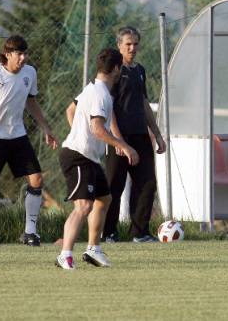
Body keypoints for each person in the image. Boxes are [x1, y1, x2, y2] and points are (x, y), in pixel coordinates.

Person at [0, 35, 57, 248]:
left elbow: (31, 102)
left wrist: (46, 128)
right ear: (7, 54)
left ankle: (30, 232)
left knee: (36, 180)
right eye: (19, 54)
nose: (23, 58)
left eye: (25, 53)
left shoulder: (29, 73)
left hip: (18, 137)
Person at [55, 48, 139, 270]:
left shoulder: (91, 88)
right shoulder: (101, 94)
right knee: (83, 206)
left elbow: (70, 111)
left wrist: (79, 133)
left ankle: (93, 249)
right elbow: (97, 128)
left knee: (104, 198)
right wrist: (123, 146)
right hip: (77, 156)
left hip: (87, 156)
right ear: (116, 69)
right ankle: (65, 254)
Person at [101, 26, 166, 243]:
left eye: (135, 43)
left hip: (140, 136)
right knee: (115, 186)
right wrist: (117, 139)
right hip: (119, 138)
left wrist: (156, 133)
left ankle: (140, 232)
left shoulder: (140, 70)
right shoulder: (114, 72)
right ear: (119, 45)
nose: (132, 48)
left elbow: (144, 103)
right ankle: (108, 232)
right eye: (128, 44)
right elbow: (108, 106)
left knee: (147, 184)